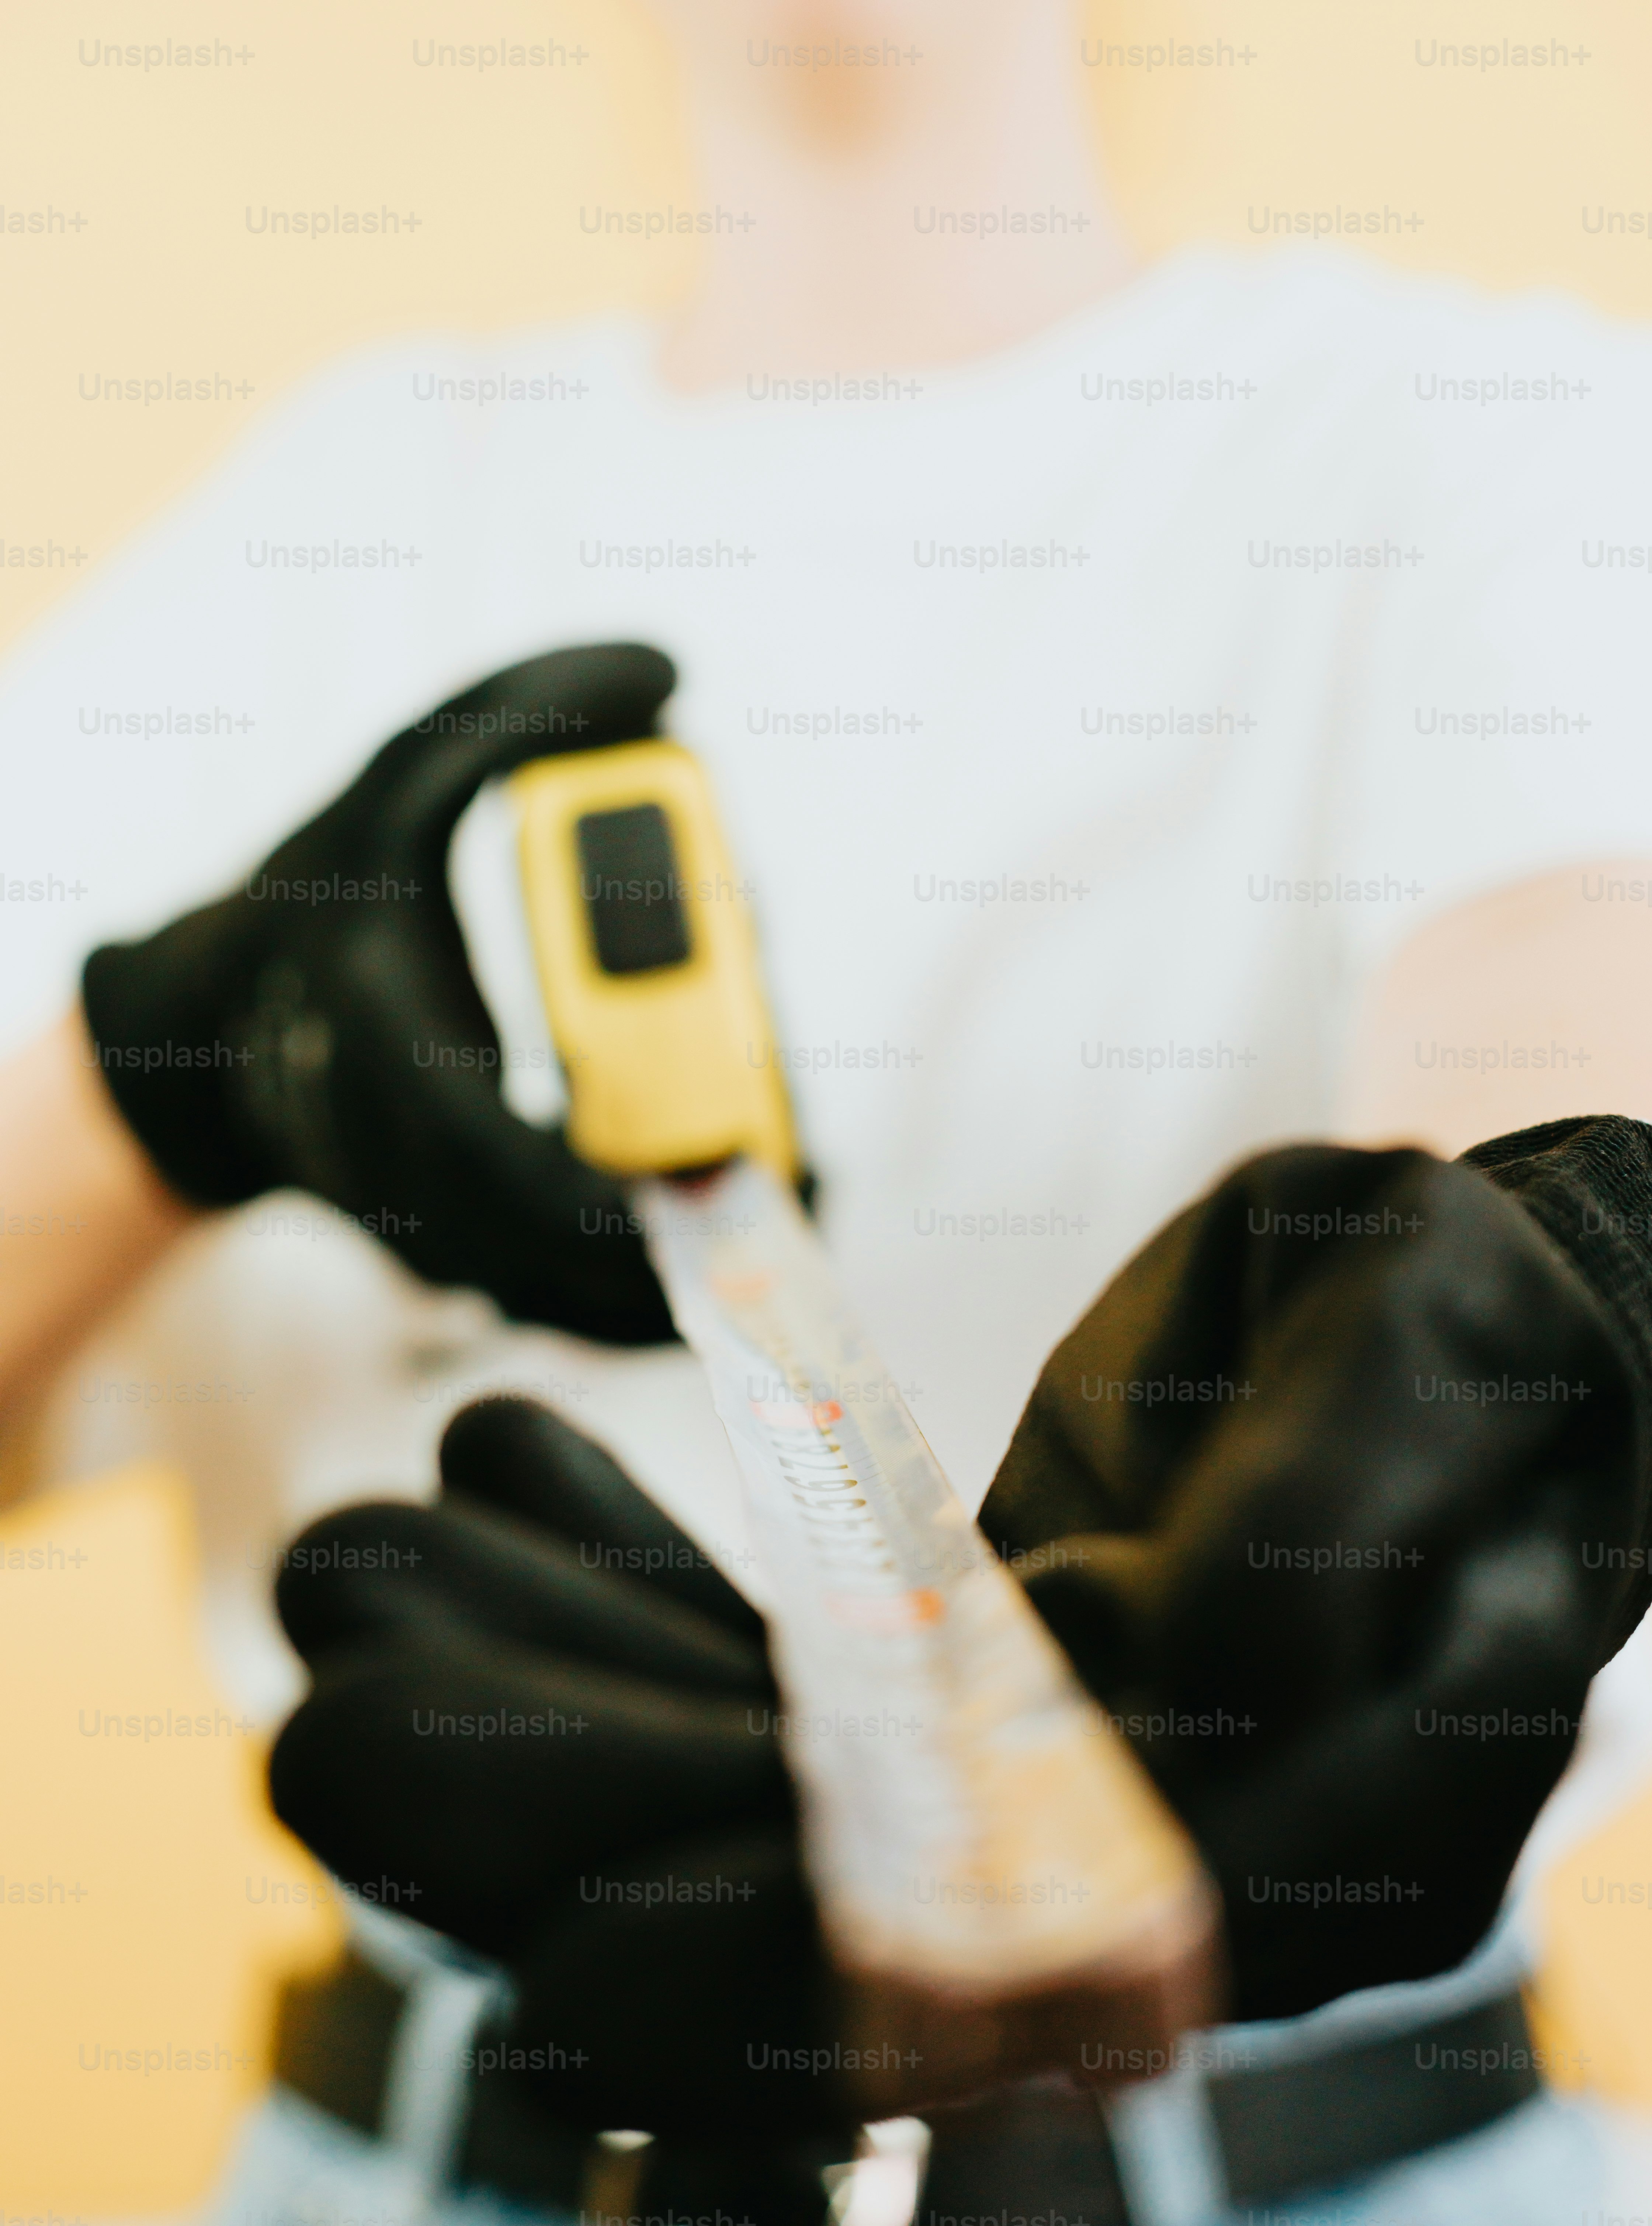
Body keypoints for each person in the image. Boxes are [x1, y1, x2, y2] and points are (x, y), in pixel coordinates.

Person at [4, 0, 1652, 2219]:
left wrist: (1540, 1289)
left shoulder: (1477, 432)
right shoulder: (341, 503)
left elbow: (1567, 978)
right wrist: (164, 1068)